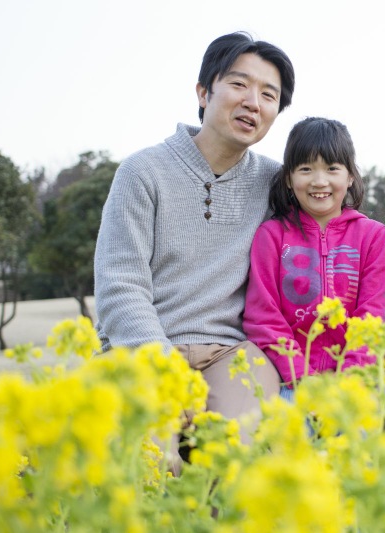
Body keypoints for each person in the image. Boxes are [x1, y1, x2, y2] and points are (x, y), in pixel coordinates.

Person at [93, 32, 295, 455]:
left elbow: (332, 221)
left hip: (233, 353)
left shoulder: (277, 183)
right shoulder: (142, 172)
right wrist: (164, 367)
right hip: (142, 348)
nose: (253, 102)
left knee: (236, 462)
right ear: (204, 92)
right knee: (152, 464)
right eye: (239, 84)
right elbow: (119, 285)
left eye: (268, 95)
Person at [243, 117, 385, 398]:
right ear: (289, 178)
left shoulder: (373, 235)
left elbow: (372, 314)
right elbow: (263, 316)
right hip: (288, 380)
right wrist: (300, 375)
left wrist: (351, 379)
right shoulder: (271, 235)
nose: (319, 181)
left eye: (332, 168)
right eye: (306, 169)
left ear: (350, 177)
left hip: (355, 381)